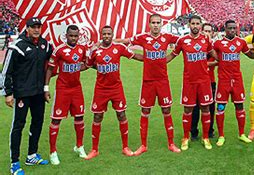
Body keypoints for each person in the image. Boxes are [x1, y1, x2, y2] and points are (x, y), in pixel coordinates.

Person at [116, 14, 181, 154]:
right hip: (148, 82)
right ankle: (143, 145)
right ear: (149, 24)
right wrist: (106, 40)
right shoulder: (143, 37)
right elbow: (126, 42)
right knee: (145, 111)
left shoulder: (167, 37)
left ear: (161, 24)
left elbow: (184, 41)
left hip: (163, 81)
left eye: (158, 22)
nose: (156, 25)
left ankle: (171, 143)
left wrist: (172, 56)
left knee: (166, 110)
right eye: (153, 22)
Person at [2, 17, 53, 175]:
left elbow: (54, 59)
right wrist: (8, 93)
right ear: (27, 28)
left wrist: (45, 88)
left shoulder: (45, 45)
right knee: (18, 126)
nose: (36, 30)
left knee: (37, 123)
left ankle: (31, 155)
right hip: (22, 93)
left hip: (38, 93)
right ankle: (14, 163)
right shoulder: (17, 46)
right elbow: (6, 71)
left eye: (39, 27)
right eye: (33, 27)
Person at [84, 25, 143, 160]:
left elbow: (135, 56)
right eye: (104, 34)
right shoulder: (95, 51)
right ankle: (94, 149)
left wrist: (151, 59)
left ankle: (125, 147)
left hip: (116, 88)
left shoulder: (119, 48)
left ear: (112, 34)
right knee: (97, 117)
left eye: (108, 34)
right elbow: (88, 64)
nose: (106, 36)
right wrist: (99, 67)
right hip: (100, 89)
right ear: (101, 35)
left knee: (121, 115)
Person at [167, 15, 219, 150]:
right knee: (188, 109)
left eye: (197, 24)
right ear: (189, 25)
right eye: (193, 23)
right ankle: (186, 137)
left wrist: (227, 58)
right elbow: (172, 55)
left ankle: (206, 137)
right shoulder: (182, 40)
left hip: (204, 81)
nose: (195, 26)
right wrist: (159, 62)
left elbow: (214, 54)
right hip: (189, 81)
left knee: (206, 108)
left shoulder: (205, 40)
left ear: (200, 25)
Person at [45, 25, 88, 165]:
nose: (73, 38)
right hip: (62, 89)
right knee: (56, 120)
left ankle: (79, 146)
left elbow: (84, 64)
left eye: (76, 36)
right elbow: (50, 69)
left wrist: (87, 65)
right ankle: (53, 152)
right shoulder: (59, 50)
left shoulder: (82, 49)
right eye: (71, 36)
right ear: (66, 35)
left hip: (77, 89)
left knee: (80, 117)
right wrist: (46, 87)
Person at [213, 20, 254, 146]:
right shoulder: (218, 43)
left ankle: (241, 134)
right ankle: (221, 136)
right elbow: (212, 56)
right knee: (220, 108)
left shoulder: (240, 42)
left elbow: (250, 55)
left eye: (234, 28)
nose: (232, 30)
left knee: (240, 106)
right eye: (229, 28)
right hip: (223, 80)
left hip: (237, 80)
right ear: (225, 29)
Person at [191, 23, 217, 140]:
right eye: (205, 31)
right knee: (195, 108)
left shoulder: (214, 47)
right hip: (195, 80)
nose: (206, 33)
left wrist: (202, 64)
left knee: (210, 108)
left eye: (209, 31)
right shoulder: (198, 44)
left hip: (210, 80)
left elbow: (220, 60)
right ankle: (193, 132)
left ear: (213, 33)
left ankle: (209, 131)